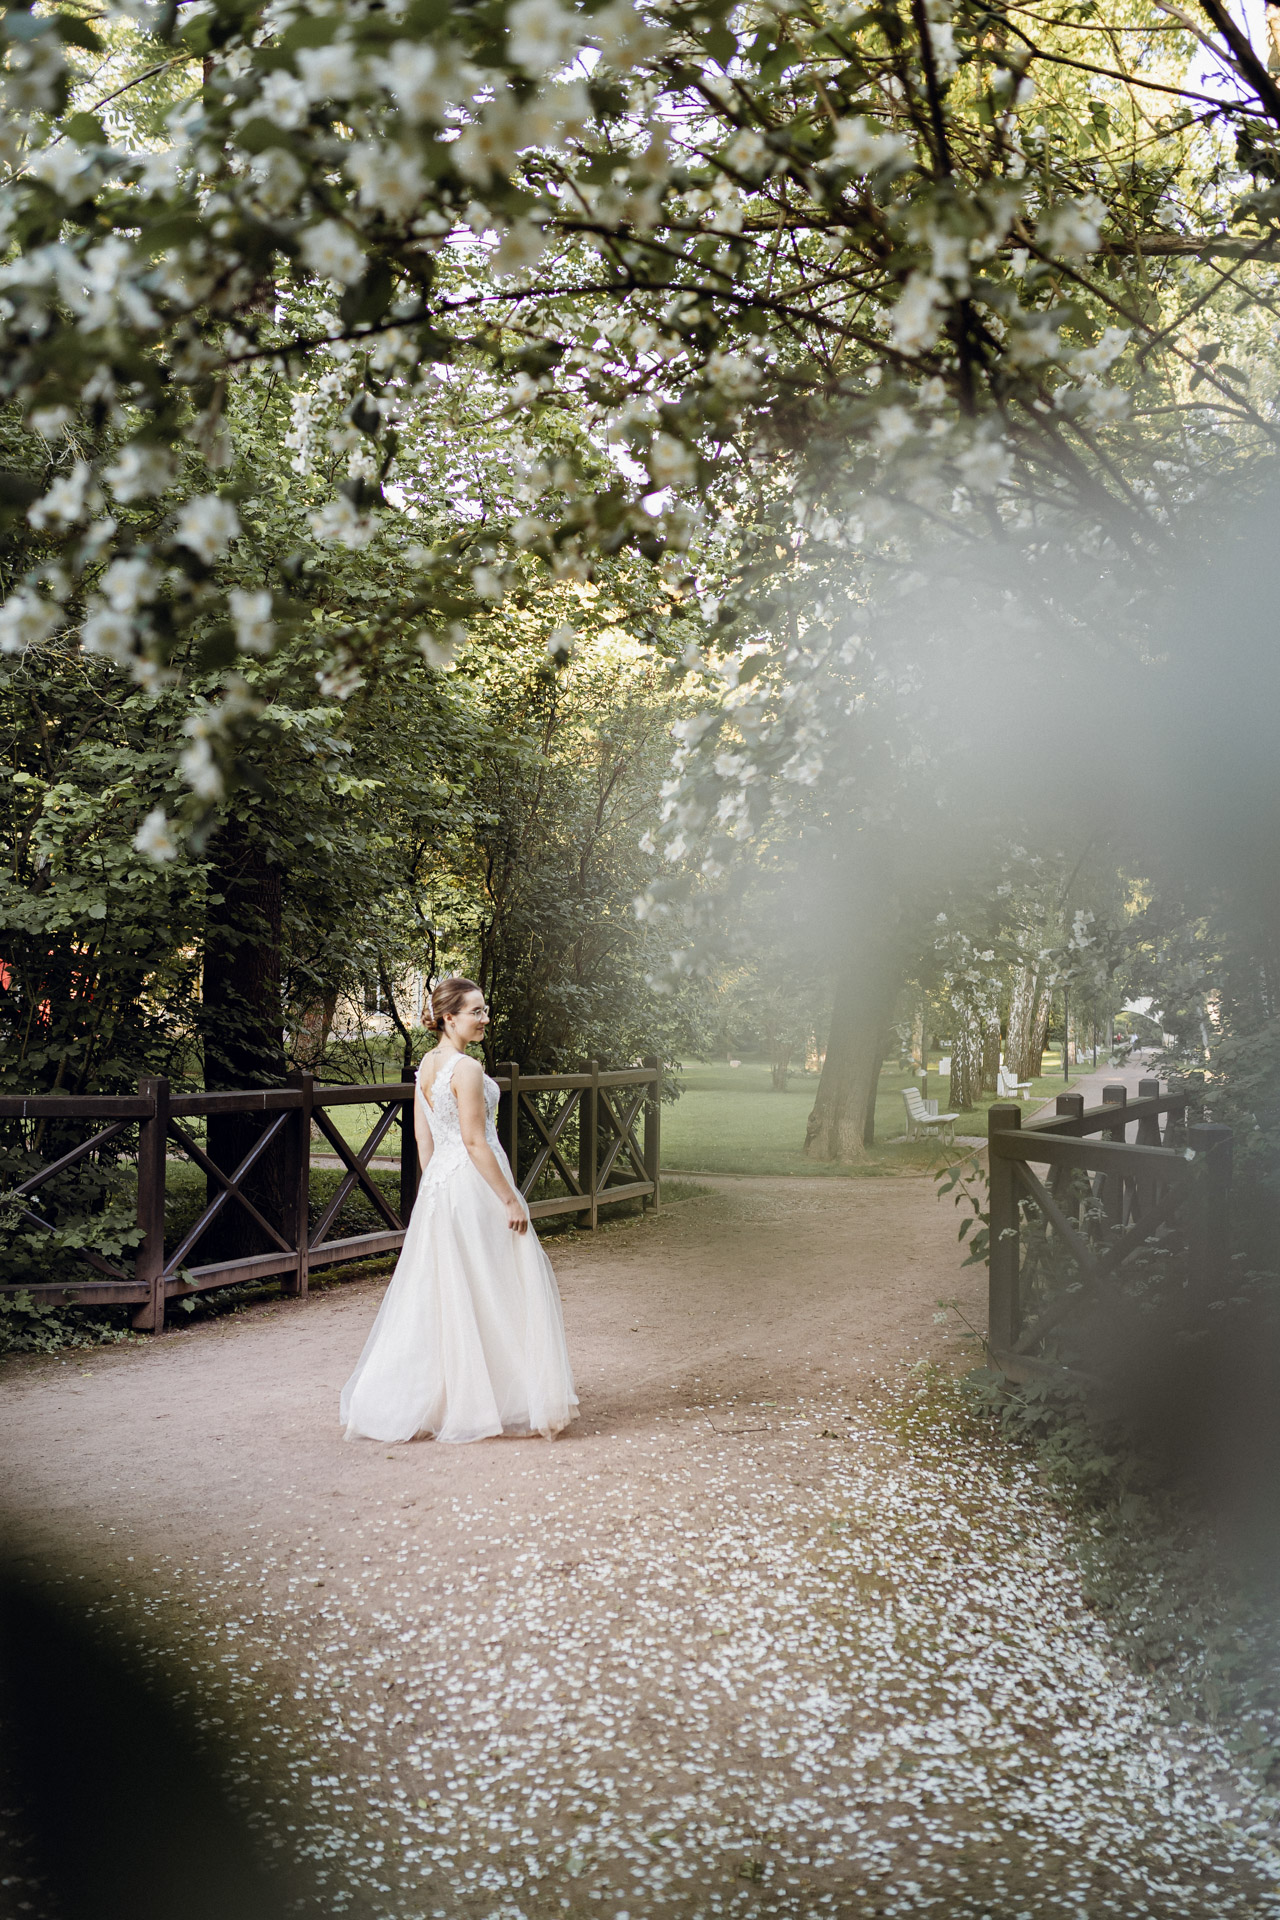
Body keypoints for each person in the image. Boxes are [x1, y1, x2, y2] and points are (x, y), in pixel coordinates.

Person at [339, 977, 578, 1445]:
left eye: (484, 1010)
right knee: (493, 1281)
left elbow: (424, 1139)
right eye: (476, 1011)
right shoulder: (465, 1069)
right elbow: (473, 1140)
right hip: (475, 1183)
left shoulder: (426, 1066)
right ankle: (494, 1396)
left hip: (442, 1187)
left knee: (451, 1289)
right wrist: (509, 1197)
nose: (484, 1019)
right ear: (450, 1017)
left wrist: (434, 1186)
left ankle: (460, 1395)